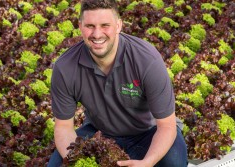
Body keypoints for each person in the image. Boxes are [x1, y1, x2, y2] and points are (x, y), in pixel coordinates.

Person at [48, 0, 188, 166]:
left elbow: (166, 126)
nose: (97, 34)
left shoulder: (146, 60)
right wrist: (78, 161)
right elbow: (64, 127)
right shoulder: (65, 67)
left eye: (105, 25)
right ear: (80, 26)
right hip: (100, 133)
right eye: (90, 26)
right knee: (57, 163)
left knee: (173, 162)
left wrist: (148, 162)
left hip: (149, 132)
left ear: (119, 25)